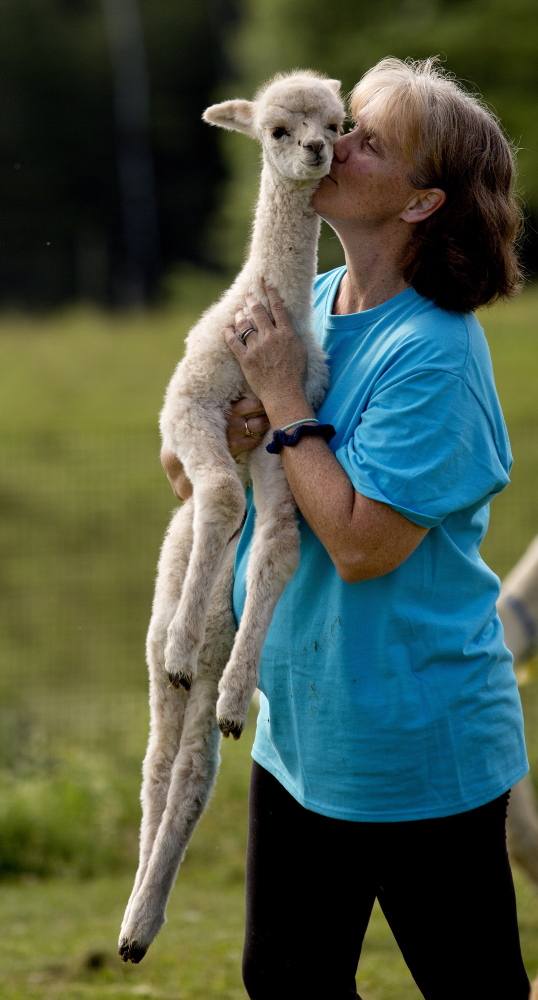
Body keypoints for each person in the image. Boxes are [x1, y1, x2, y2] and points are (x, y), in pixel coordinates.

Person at [162, 57, 530, 1000]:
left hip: (414, 744)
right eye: (348, 120)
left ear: (417, 205)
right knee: (285, 981)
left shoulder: (436, 353)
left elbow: (363, 546)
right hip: (301, 731)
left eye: (369, 140)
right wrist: (222, 438)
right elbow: (190, 465)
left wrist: (283, 400)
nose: (338, 140)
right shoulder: (309, 303)